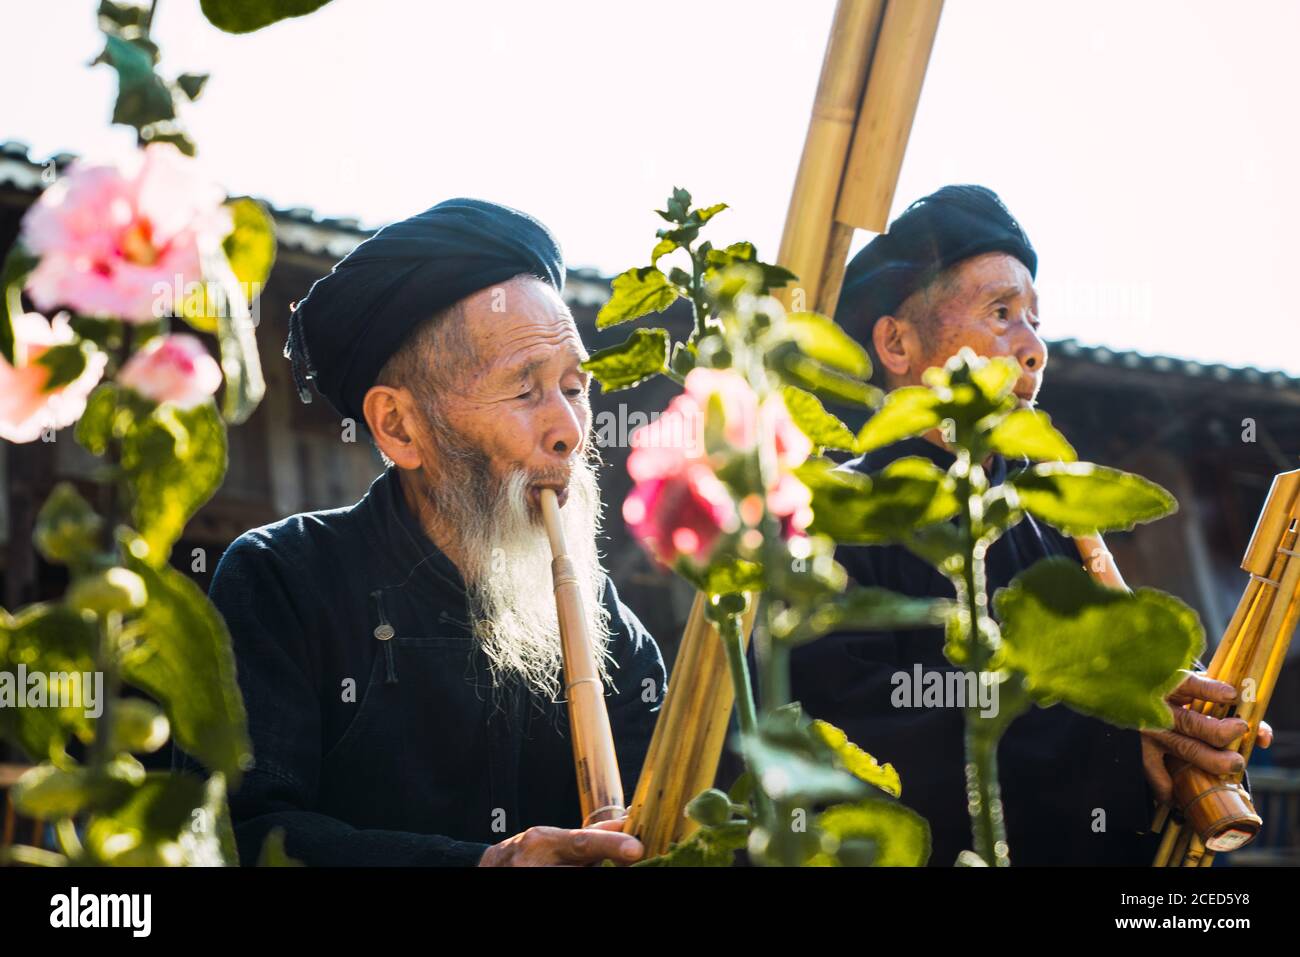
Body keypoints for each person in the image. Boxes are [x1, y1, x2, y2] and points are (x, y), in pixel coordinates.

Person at [788, 184, 1273, 865]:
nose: (1034, 348)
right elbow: (847, 734)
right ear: (897, 343)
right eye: (1001, 311)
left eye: (1036, 320)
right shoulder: (835, 517)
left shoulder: (1047, 521)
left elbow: (1121, 721)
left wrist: (1184, 737)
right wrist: (1104, 740)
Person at [175, 199, 663, 867]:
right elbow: (237, 834)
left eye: (573, 387)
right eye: (525, 392)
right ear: (400, 427)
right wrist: (484, 864)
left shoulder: (606, 620)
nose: (570, 430)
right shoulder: (283, 579)